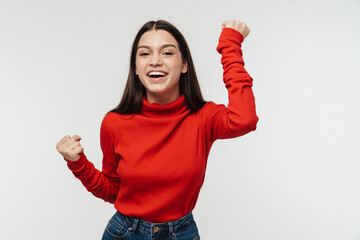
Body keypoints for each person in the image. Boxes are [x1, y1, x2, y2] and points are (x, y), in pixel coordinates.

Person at [56, 19, 258, 240]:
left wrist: (230, 46)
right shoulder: (114, 122)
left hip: (181, 233)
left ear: (184, 65)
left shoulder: (203, 117)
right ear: (135, 67)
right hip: (124, 233)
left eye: (167, 53)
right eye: (144, 54)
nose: (155, 61)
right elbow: (114, 191)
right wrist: (78, 163)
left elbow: (244, 120)